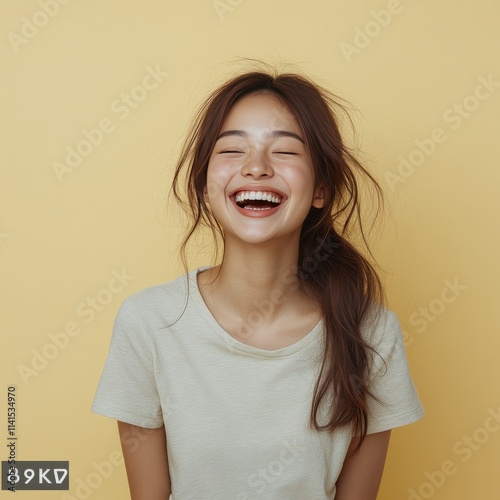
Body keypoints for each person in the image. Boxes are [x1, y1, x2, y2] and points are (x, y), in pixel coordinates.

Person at [92, 69, 424, 499]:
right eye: (232, 149)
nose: (255, 167)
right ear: (204, 187)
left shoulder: (372, 334)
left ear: (321, 189)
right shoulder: (148, 323)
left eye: (284, 151)